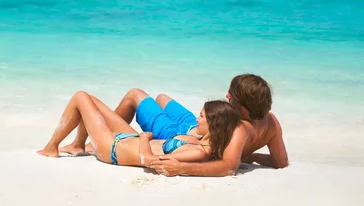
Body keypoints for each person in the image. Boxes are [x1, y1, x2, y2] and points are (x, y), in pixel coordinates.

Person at [78, 74, 288, 177]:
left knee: (135, 95)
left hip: (178, 134)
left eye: (231, 95)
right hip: (192, 125)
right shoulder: (272, 122)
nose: (226, 96)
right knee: (162, 98)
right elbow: (280, 162)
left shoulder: (239, 128)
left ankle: (98, 139)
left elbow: (229, 167)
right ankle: (101, 137)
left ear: (243, 105)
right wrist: (249, 155)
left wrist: (181, 168)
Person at [37, 91, 241, 170]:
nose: (197, 118)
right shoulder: (198, 140)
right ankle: (77, 145)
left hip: (112, 149)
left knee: (80, 97)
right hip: (127, 138)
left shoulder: (198, 152)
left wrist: (144, 139)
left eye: (202, 116)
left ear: (214, 125)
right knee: (92, 102)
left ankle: (51, 148)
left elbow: (151, 162)